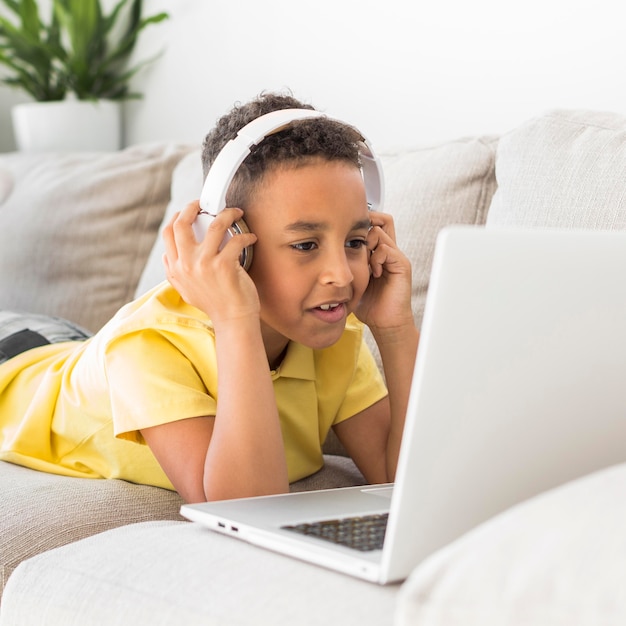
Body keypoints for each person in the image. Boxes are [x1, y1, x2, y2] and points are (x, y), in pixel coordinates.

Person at [0, 92, 419, 503]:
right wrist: (237, 319)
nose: (342, 275)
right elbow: (245, 506)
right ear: (229, 244)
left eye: (355, 241)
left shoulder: (333, 330)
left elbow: (406, 479)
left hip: (69, 345)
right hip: (16, 360)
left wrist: (395, 331)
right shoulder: (146, 348)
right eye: (306, 245)